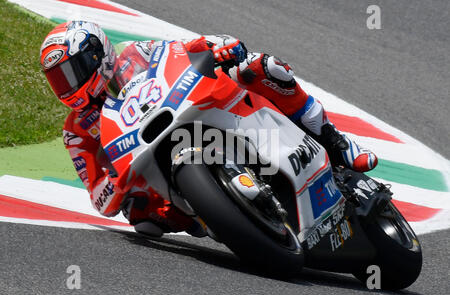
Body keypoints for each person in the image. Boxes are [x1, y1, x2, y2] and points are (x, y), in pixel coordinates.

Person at [40, 21, 377, 237]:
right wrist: (112, 186)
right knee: (143, 220)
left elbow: (182, 51)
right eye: (59, 80)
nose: (68, 86)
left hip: (189, 107)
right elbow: (98, 195)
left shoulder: (135, 54)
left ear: (97, 55)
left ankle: (336, 142)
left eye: (72, 72)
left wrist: (217, 45)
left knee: (262, 67)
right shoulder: (76, 131)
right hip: (149, 167)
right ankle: (215, 215)